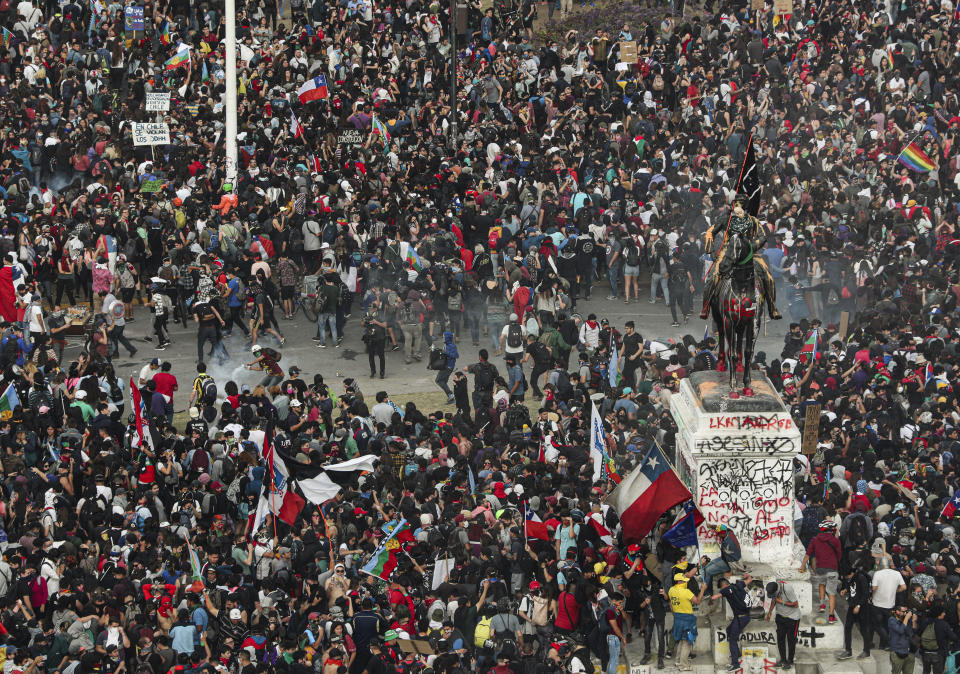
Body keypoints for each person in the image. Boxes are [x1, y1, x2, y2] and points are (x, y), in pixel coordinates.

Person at [700, 195, 782, 321]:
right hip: (728, 252)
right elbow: (710, 232)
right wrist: (710, 248)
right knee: (713, 276)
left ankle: (772, 307)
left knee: (768, 276)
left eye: (742, 204)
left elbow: (763, 236)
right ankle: (705, 306)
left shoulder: (753, 220)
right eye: (738, 204)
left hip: (750, 252)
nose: (740, 207)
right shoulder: (725, 220)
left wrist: (751, 246)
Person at [799, 520, 841, 623]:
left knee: (821, 584)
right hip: (832, 569)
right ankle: (831, 616)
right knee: (831, 593)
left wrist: (802, 566)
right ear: (832, 530)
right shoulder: (835, 541)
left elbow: (807, 554)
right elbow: (839, 556)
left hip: (820, 568)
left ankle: (822, 605)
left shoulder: (815, 540)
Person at [710, 574, 752, 672]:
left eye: (720, 588)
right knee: (729, 630)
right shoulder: (739, 584)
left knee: (732, 640)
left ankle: (735, 664)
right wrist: (747, 576)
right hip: (745, 616)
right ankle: (736, 653)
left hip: (740, 618)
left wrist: (710, 599)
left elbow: (715, 597)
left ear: (723, 586)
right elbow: (749, 579)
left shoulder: (725, 590)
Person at [668, 573, 705, 671]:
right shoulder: (686, 592)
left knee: (681, 640)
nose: (686, 583)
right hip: (687, 619)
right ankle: (684, 665)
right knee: (688, 642)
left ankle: (677, 661)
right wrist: (702, 590)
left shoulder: (671, 590)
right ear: (680, 581)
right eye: (684, 581)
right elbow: (697, 601)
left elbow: (671, 605)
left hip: (677, 618)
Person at [765, 580, 801, 670]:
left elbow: (796, 604)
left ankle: (790, 661)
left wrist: (781, 602)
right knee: (780, 638)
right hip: (780, 616)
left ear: (777, 590)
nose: (774, 596)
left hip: (792, 618)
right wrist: (769, 612)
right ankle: (783, 660)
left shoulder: (787, 589)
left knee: (791, 640)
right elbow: (774, 600)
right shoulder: (773, 589)